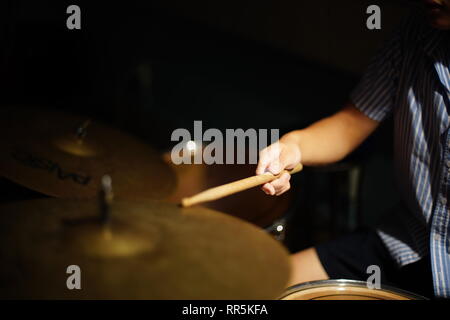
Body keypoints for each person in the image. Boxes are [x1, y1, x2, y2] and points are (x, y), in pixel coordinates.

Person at [256, 0, 450, 299]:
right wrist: (291, 147)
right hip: (409, 240)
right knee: (255, 288)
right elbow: (349, 125)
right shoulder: (415, 30)